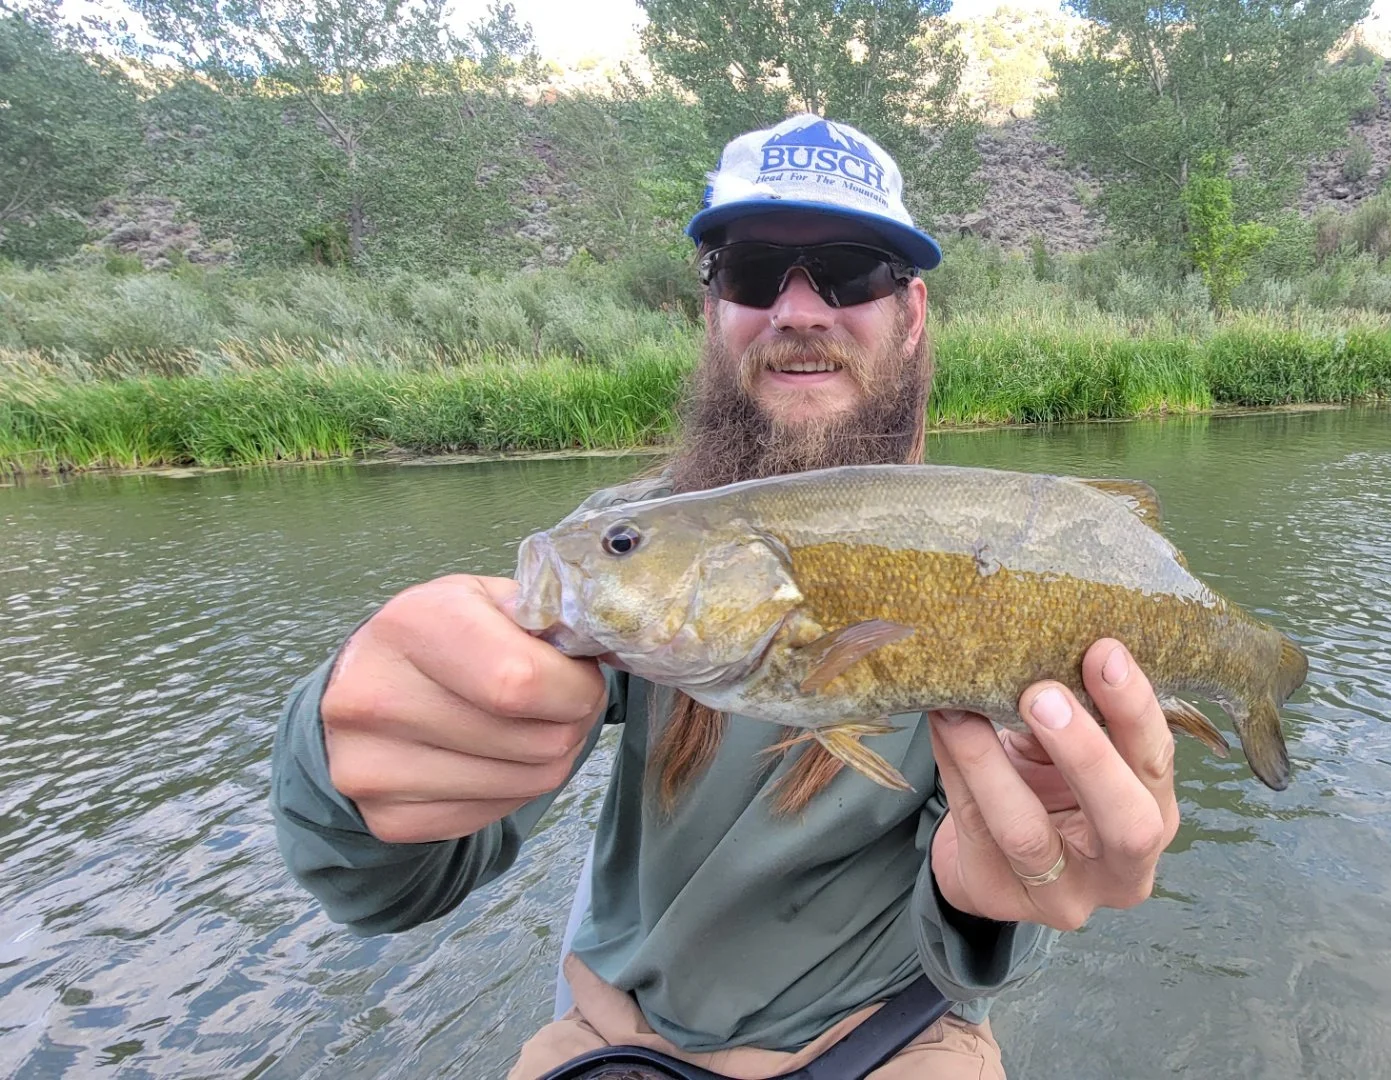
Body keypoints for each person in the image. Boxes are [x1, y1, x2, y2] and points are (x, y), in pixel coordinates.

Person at [268, 113, 1184, 1080]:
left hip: (897, 1041)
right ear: (712, 310)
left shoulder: (1003, 558)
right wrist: (343, 774)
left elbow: (987, 930)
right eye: (751, 272)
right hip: (617, 1038)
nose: (797, 311)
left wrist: (996, 896)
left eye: (851, 270)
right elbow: (398, 890)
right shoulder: (623, 547)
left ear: (911, 313)